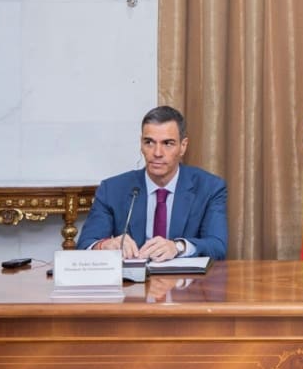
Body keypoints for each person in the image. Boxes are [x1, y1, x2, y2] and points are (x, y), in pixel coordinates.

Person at [77, 106, 228, 261]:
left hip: (183, 276)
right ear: (141, 144)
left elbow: (217, 247)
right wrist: (104, 245)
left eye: (167, 143)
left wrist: (178, 247)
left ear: (183, 146)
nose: (157, 153)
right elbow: (85, 245)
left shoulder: (209, 188)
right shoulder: (112, 190)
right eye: (149, 142)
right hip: (131, 276)